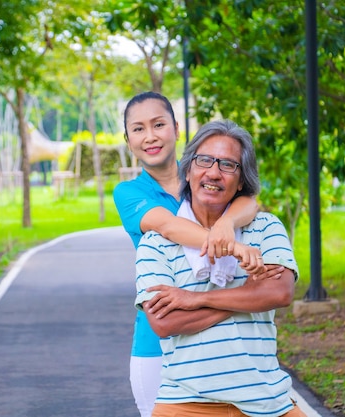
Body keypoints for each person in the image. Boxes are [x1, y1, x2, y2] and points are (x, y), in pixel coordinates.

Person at [113, 92, 276, 417]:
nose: (150, 136)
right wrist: (231, 243)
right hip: (159, 341)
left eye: (158, 124)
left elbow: (250, 200)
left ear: (176, 128)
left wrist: (228, 221)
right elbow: (170, 226)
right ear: (128, 139)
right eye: (139, 129)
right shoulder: (129, 193)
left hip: (228, 344)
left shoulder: (206, 174)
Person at [134, 119, 305, 417]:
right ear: (188, 170)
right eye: (204, 160)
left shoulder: (265, 227)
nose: (213, 172)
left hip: (267, 401)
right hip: (185, 403)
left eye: (228, 165)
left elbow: (280, 292)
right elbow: (163, 322)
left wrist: (194, 299)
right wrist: (250, 294)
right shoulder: (156, 244)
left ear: (241, 182)